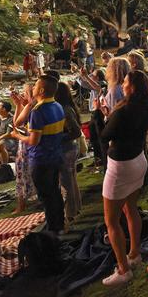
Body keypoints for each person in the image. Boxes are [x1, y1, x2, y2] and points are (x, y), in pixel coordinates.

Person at [100, 71, 148, 286]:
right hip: (138, 160)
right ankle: (134, 253)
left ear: (131, 87)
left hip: (121, 166)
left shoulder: (123, 110)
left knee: (111, 221)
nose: (122, 84)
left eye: (125, 82)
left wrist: (105, 116)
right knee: (130, 208)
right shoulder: (146, 108)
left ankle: (123, 270)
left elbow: (106, 135)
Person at [8, 75, 66, 233]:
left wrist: (17, 136)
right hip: (55, 156)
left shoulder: (38, 111)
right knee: (54, 192)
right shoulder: (58, 106)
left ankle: (53, 229)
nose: (32, 88)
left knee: (46, 196)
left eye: (35, 86)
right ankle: (60, 224)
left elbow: (34, 140)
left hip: (41, 159)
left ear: (41, 90)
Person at [55, 82, 83, 222]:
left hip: (67, 148)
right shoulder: (67, 107)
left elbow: (76, 131)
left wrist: (58, 137)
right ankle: (76, 208)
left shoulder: (64, 110)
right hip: (70, 147)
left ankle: (70, 212)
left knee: (66, 182)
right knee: (71, 180)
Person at [10, 84, 36, 214]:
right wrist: (18, 105)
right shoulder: (30, 105)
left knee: (25, 174)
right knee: (24, 174)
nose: (23, 95)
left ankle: (22, 205)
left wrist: (22, 105)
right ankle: (23, 203)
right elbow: (17, 122)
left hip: (29, 145)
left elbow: (17, 124)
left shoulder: (33, 104)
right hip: (26, 144)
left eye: (25, 92)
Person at [0, 101, 18, 165]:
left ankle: (5, 166)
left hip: (9, 139)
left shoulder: (11, 119)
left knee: (0, 145)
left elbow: (7, 134)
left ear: (4, 109)